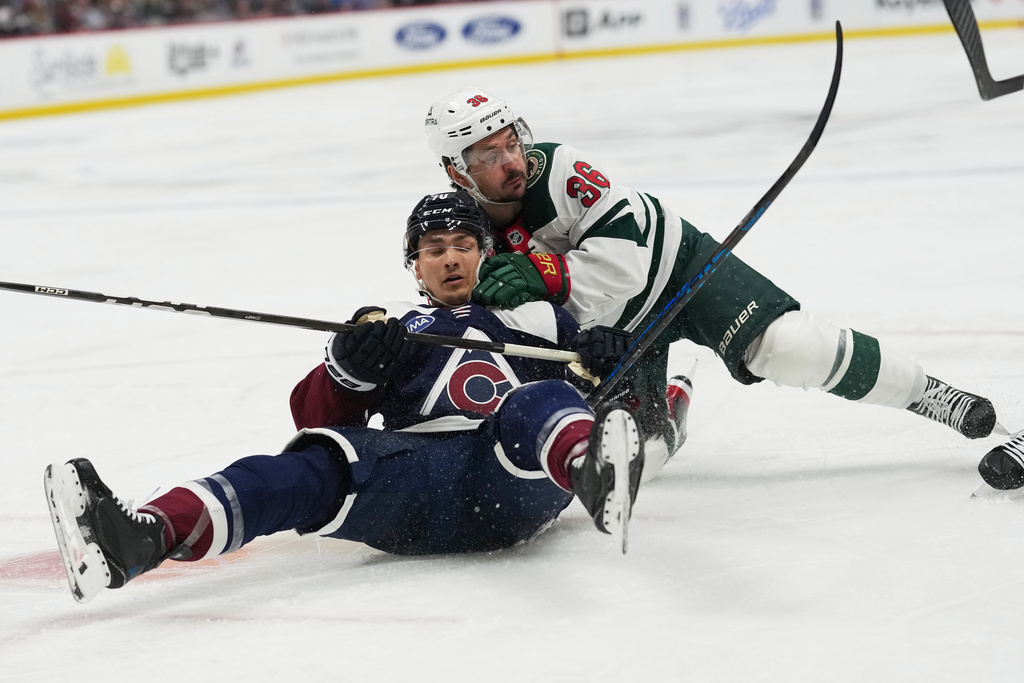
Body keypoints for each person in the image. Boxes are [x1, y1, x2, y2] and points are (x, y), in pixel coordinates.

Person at [43, 191, 651, 604]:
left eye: (462, 244)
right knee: (302, 468)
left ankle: (589, 474)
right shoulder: (392, 333)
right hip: (416, 489)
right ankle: (140, 539)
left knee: (535, 400)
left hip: (510, 479)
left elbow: (616, 404)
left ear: (485, 253)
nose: (449, 257)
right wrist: (345, 368)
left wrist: (606, 359)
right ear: (414, 266)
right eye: (432, 249)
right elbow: (312, 418)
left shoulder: (538, 319)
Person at [423, 87, 1003, 481]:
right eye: (489, 154)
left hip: (681, 270)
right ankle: (674, 394)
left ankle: (932, 395)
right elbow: (488, 323)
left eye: (510, 142)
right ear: (456, 170)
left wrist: (551, 274)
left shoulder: (561, 167)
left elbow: (628, 259)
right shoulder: (463, 234)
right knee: (637, 457)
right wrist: (573, 342)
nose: (512, 160)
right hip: (618, 334)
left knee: (790, 346)